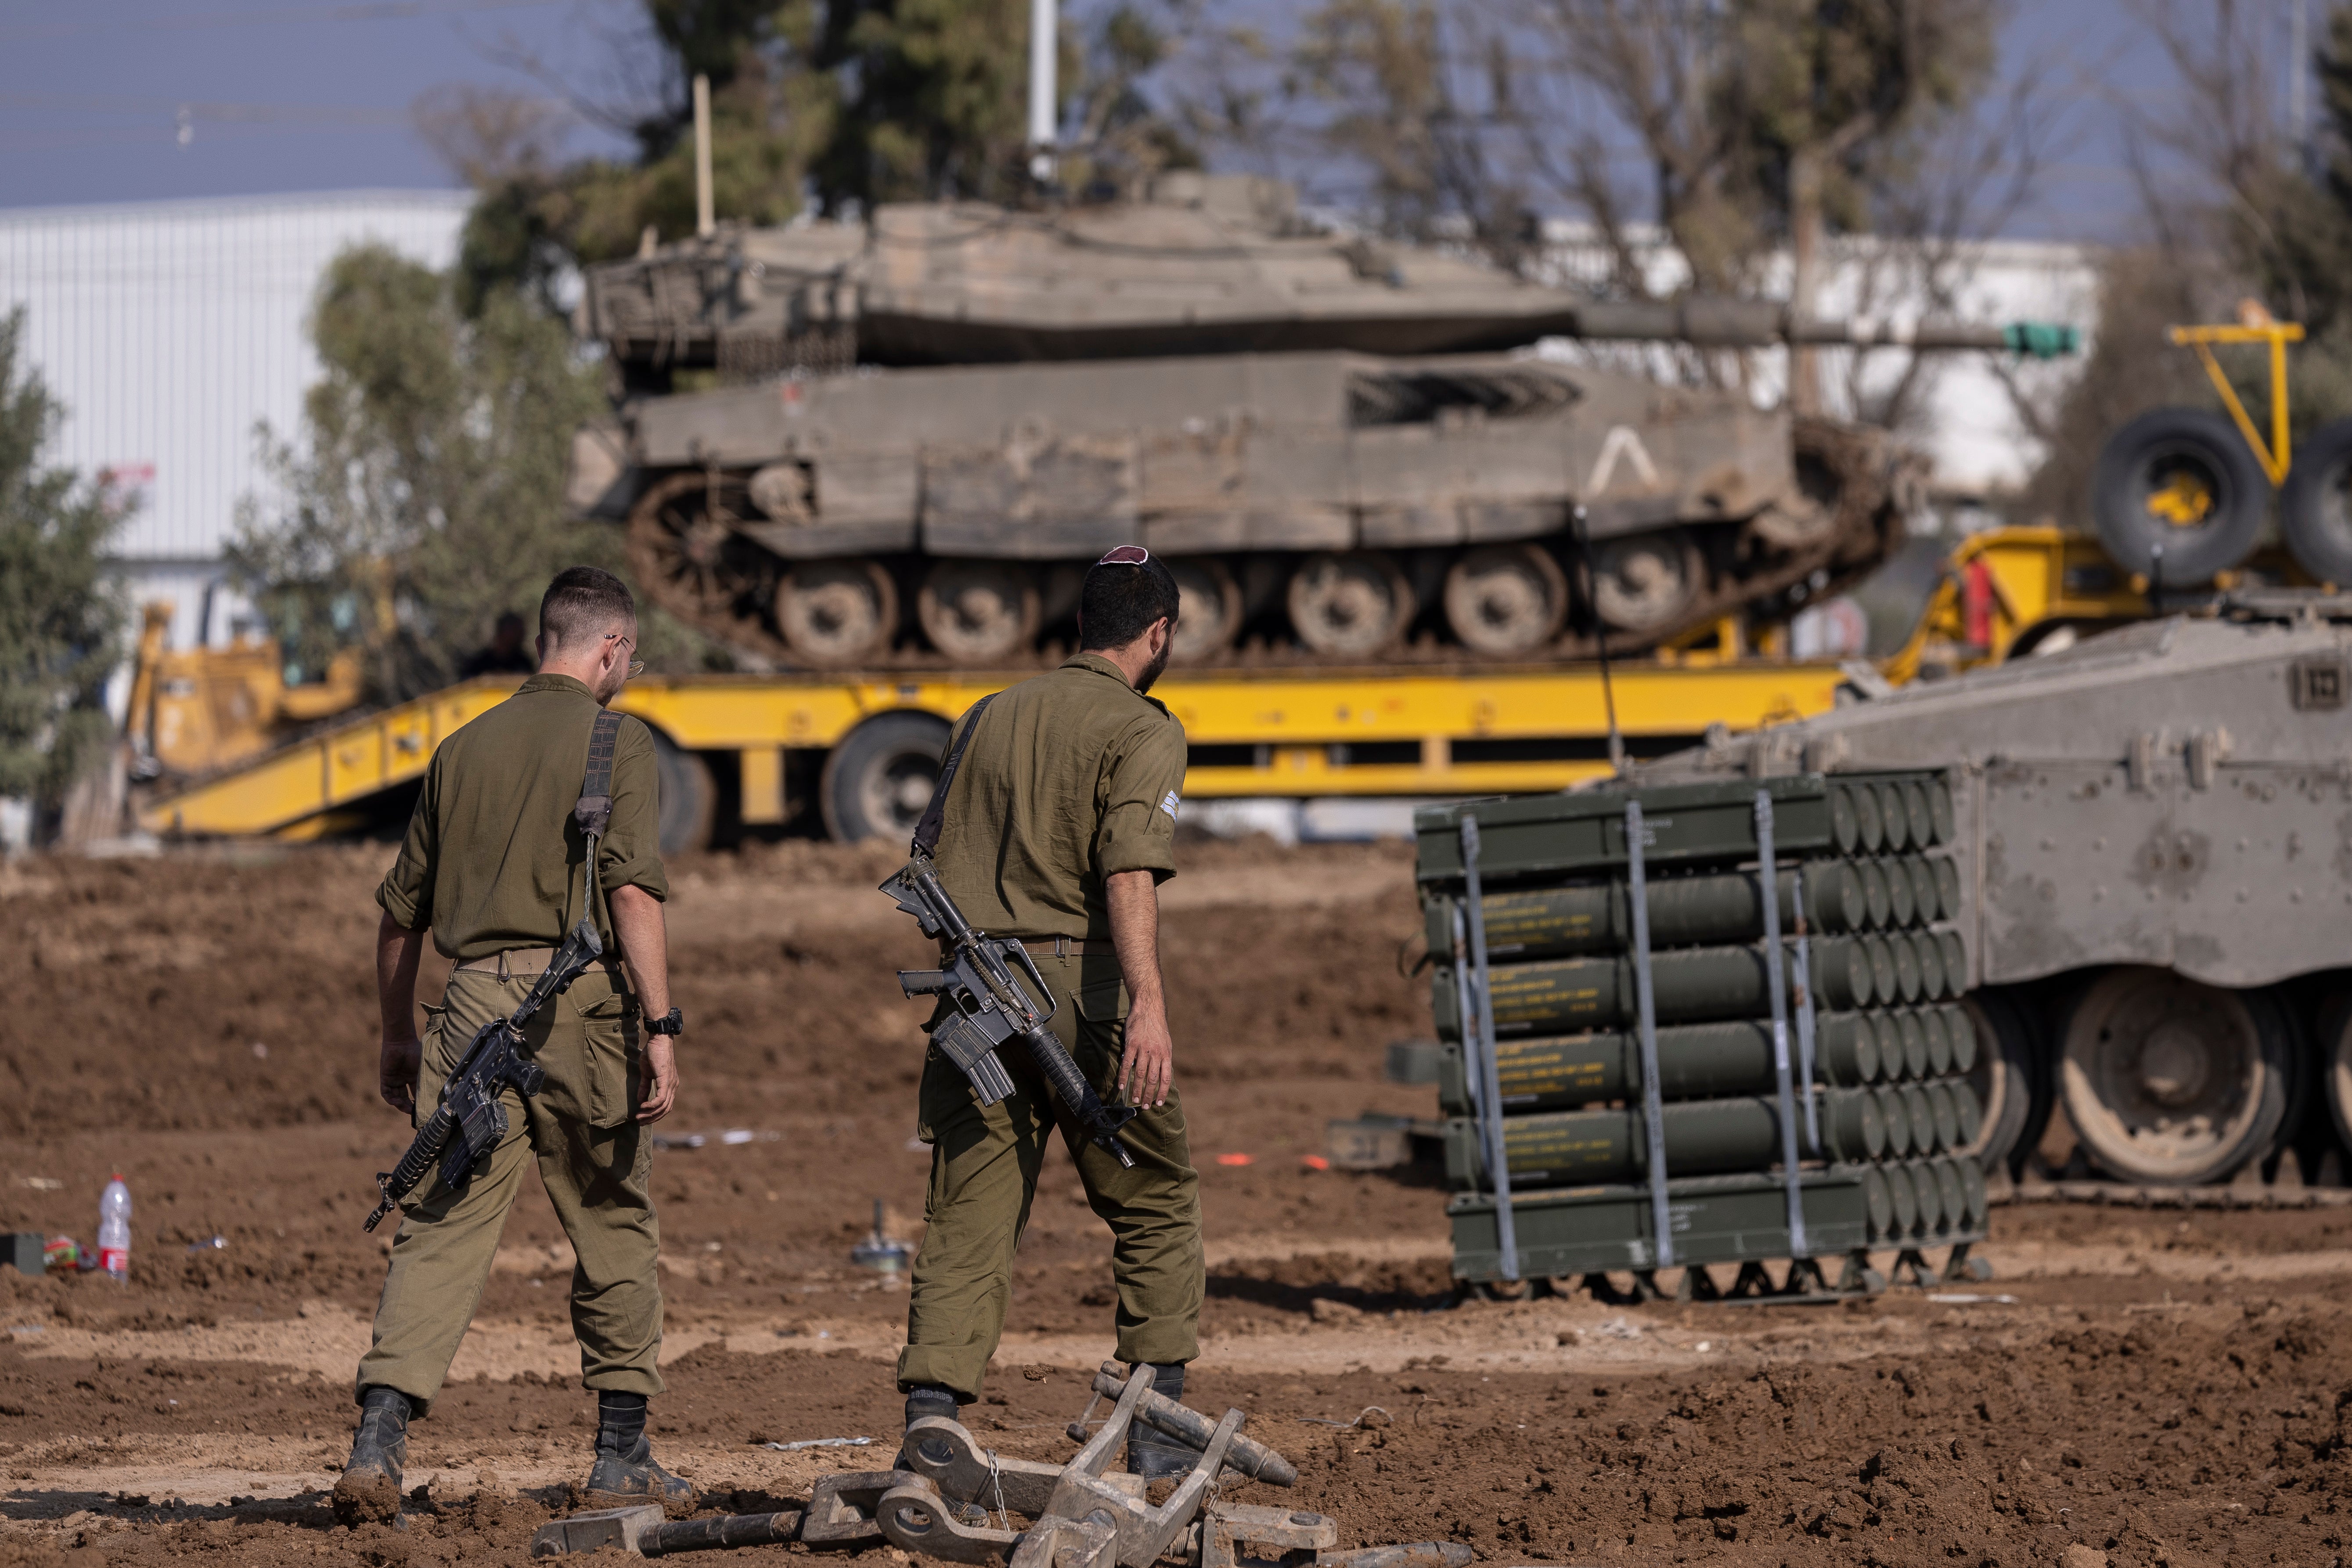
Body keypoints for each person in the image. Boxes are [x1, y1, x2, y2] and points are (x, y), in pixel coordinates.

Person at [334, 566, 693, 1525]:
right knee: (613, 1219)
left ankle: (378, 1441)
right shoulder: (620, 740)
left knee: (438, 1228)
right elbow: (631, 894)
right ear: (608, 648)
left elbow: (398, 917)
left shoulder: (461, 748)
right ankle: (621, 1456)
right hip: (582, 1012)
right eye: (630, 655)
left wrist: (396, 1033)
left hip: (466, 1014)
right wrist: (660, 1026)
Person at [896, 545, 1203, 1477]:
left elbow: (931, 852)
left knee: (968, 1208)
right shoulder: (1141, 725)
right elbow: (1126, 869)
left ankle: (930, 1419)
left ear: (1079, 625)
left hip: (972, 991)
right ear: (1158, 632)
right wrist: (1147, 1004)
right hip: (1083, 986)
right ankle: (1156, 1433)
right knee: (1153, 1197)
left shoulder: (985, 715)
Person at [459, 610, 537, 678]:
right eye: (516, 632)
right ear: (502, 632)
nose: (522, 636)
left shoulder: (524, 663)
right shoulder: (479, 663)